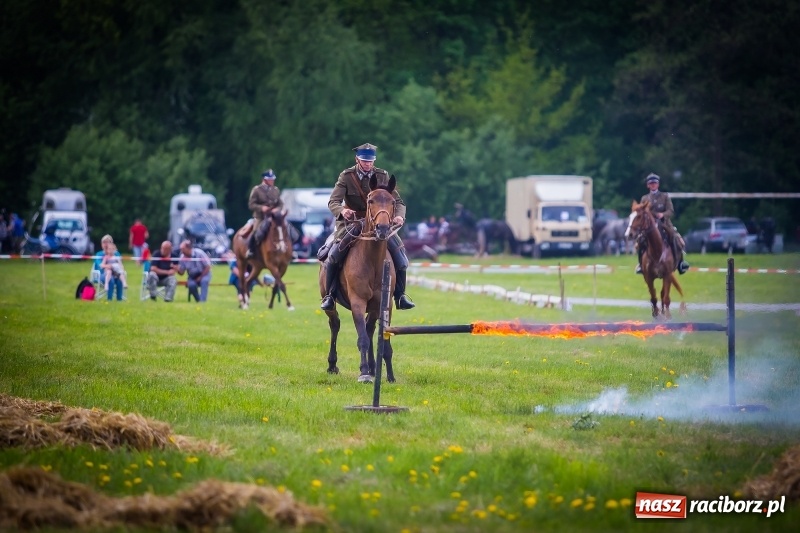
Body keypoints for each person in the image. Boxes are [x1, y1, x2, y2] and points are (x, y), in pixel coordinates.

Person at [319, 142, 415, 311]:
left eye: (370, 161)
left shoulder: (382, 175)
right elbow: (333, 201)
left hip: (380, 224)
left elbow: (398, 202)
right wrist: (342, 211)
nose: (368, 164)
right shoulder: (346, 176)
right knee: (334, 254)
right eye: (364, 161)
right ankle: (330, 296)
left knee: (401, 257)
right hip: (352, 222)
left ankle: (400, 295)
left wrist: (399, 215)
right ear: (357, 159)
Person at [635, 173, 689, 275]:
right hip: (649, 226)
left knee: (677, 240)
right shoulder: (644, 198)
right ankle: (640, 265)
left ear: (658, 184)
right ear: (648, 185)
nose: (653, 185)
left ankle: (681, 263)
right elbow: (641, 213)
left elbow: (671, 211)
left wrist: (662, 214)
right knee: (640, 241)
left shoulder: (665, 196)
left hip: (664, 224)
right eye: (651, 183)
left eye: (655, 183)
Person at [246, 169, 284, 258]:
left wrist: (277, 209)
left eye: (273, 179)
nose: (272, 181)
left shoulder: (275, 190)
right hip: (261, 217)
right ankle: (251, 250)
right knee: (256, 232)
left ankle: (288, 249)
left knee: (285, 228)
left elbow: (280, 203)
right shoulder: (256, 190)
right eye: (270, 179)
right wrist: (261, 208)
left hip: (274, 216)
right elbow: (251, 204)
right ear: (264, 179)